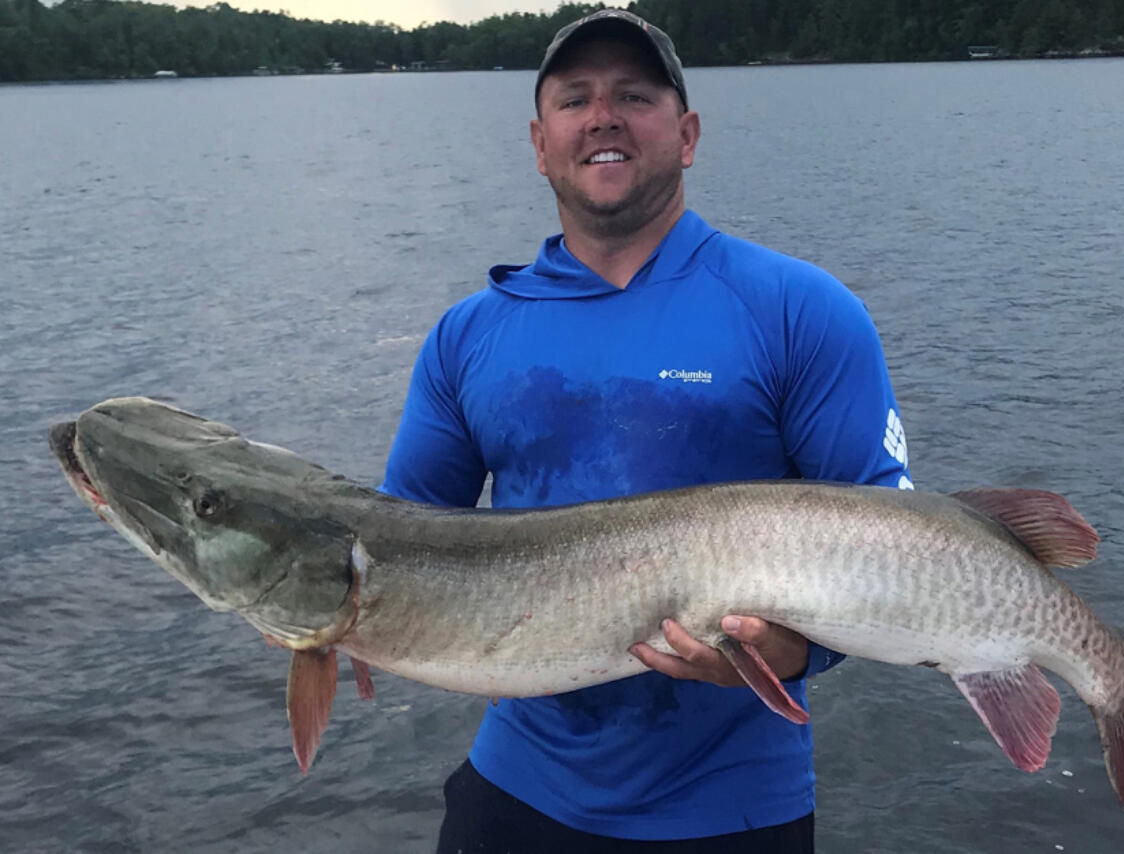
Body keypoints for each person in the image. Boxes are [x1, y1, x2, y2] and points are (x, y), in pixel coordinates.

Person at [379, 9, 913, 852]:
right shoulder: (467, 336)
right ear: (540, 139)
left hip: (735, 809)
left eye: (634, 94)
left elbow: (894, 540)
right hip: (517, 789)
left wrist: (797, 651)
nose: (603, 116)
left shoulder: (800, 311)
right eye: (575, 98)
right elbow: (395, 543)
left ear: (688, 133)